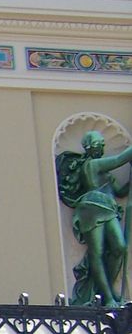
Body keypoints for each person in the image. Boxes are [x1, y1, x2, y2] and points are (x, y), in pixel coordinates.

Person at [55, 129, 132, 305]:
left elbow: (120, 192)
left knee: (119, 248)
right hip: (92, 208)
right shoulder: (91, 166)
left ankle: (106, 291)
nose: (101, 148)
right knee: (96, 252)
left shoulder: (106, 174)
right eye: (98, 144)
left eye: (102, 145)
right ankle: (108, 297)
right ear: (89, 148)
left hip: (108, 209)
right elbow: (118, 160)